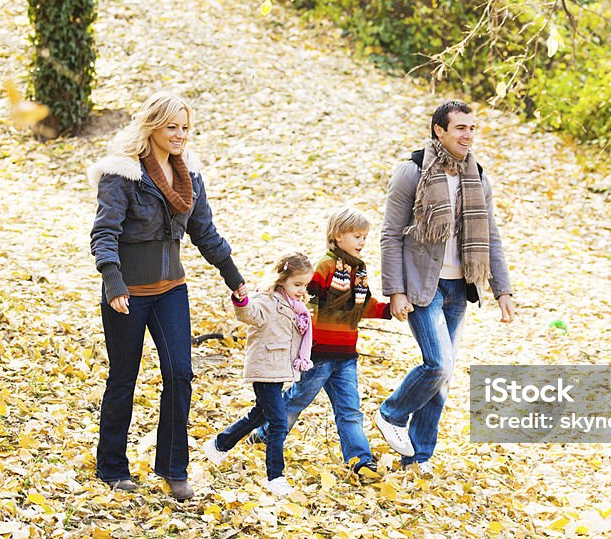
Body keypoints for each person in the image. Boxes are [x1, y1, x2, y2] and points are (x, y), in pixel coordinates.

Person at [88, 92, 246, 501]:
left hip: (171, 289)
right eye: (172, 127)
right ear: (153, 126)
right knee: (124, 376)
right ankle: (112, 466)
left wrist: (234, 278)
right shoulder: (121, 175)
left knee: (180, 373)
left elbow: (205, 232)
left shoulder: (188, 175)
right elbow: (104, 234)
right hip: (128, 292)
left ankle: (174, 468)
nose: (180, 135)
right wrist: (113, 281)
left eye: (186, 127)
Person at [374, 100, 515, 474]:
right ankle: (391, 414)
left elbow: (491, 237)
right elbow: (390, 234)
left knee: (444, 376)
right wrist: (395, 291)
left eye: (472, 128)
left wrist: (503, 290)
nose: (468, 135)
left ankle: (418, 456)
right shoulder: (413, 171)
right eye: (460, 128)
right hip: (423, 285)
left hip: (460, 288)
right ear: (440, 130)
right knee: (439, 363)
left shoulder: (477, 177)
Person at [249, 206, 392, 478]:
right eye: (356, 236)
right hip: (320, 354)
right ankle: (265, 434)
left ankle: (359, 460)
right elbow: (301, 296)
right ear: (337, 236)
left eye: (364, 236)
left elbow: (363, 305)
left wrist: (389, 310)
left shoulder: (359, 271)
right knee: (296, 400)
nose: (362, 242)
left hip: (346, 355)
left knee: (350, 409)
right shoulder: (325, 266)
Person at [203, 253, 315, 496]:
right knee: (277, 422)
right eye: (297, 284)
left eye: (305, 285)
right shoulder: (268, 300)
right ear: (282, 279)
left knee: (260, 414)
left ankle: (219, 444)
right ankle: (275, 476)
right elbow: (249, 314)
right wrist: (241, 301)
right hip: (265, 369)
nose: (301, 290)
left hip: (278, 369)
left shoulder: (296, 306)